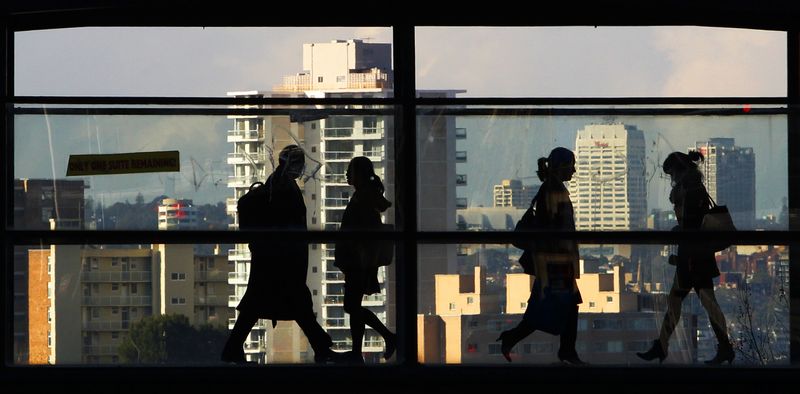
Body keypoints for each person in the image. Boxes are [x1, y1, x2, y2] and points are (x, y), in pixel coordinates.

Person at [221, 145, 337, 364]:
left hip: (272, 259)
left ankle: (233, 349)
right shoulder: (283, 187)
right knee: (290, 304)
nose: (301, 168)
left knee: (263, 305)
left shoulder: (278, 183)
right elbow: (287, 223)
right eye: (299, 163)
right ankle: (321, 347)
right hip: (280, 261)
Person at [636, 151, 734, 365]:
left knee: (682, 303)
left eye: (671, 173)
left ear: (678, 171)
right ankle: (723, 347)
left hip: (692, 257)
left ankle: (662, 346)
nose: (670, 178)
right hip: (696, 256)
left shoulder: (690, 191)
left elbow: (690, 226)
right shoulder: (693, 188)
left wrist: (677, 233)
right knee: (699, 303)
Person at [496, 147, 584, 365]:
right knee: (564, 306)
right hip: (556, 262)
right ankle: (566, 352)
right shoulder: (553, 191)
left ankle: (514, 338)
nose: (574, 170)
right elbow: (557, 229)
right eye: (571, 165)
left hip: (553, 261)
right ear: (562, 166)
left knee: (548, 307)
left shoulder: (550, 189)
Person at [335, 156, 397, 364]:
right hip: (359, 261)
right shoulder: (365, 196)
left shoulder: (363, 198)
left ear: (358, 174)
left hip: (358, 261)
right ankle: (356, 352)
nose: (346, 174)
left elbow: (360, 231)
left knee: (351, 307)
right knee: (354, 307)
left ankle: (388, 336)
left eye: (349, 170)